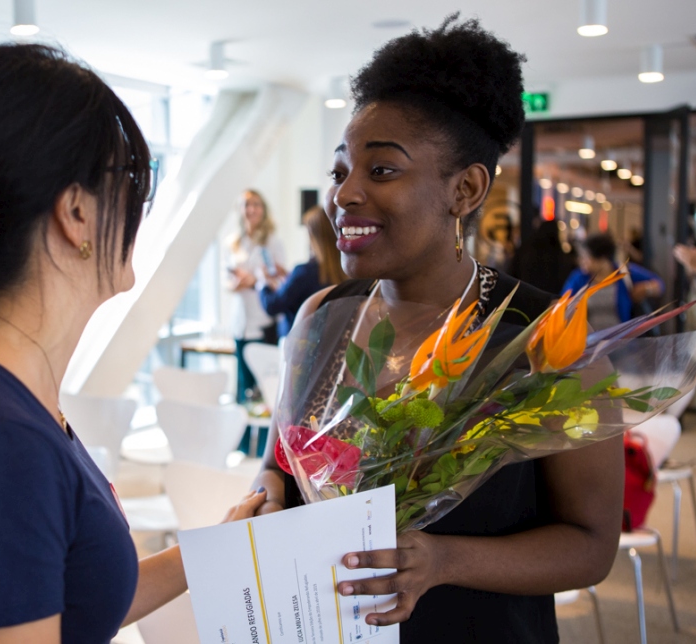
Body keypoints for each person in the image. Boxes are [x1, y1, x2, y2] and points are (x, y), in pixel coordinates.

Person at [0, 44, 265, 643]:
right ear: (76, 211)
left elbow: (67, 595)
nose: (140, 208)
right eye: (133, 182)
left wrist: (213, 549)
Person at [253, 16, 622, 643]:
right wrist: (264, 496)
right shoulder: (323, 316)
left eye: (383, 171)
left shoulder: (544, 342)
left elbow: (590, 546)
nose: (345, 194)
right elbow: (279, 466)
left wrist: (445, 561)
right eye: (341, 170)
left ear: (465, 189)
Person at [227, 189, 285, 401]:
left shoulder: (272, 242)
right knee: (243, 386)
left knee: (264, 388)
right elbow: (228, 277)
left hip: (263, 322)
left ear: (263, 209)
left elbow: (280, 281)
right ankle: (242, 434)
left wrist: (253, 281)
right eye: (246, 204)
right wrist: (234, 284)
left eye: (256, 204)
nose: (251, 209)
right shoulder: (235, 243)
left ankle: (261, 435)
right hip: (241, 323)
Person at [258, 205, 346, 338]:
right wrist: (288, 276)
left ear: (314, 237)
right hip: (329, 341)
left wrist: (262, 282)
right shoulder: (345, 271)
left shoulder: (304, 273)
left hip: (298, 345)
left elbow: (273, 305)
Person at [563, 233, 663, 330]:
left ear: (602, 258)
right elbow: (563, 302)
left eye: (586, 257)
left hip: (622, 340)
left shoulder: (624, 273)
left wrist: (646, 288)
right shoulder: (579, 278)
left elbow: (660, 284)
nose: (581, 260)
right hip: (588, 342)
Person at [510, 218, 576, 295]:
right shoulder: (560, 256)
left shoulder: (525, 250)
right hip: (551, 302)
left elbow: (512, 274)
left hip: (525, 297)